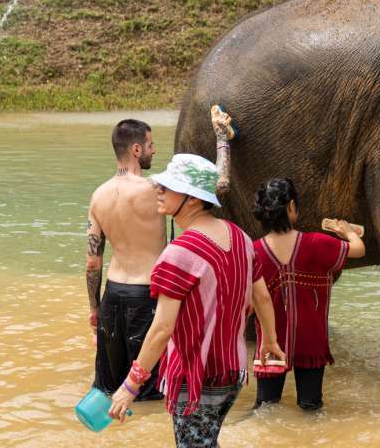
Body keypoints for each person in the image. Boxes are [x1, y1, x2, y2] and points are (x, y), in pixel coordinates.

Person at [107, 154, 285, 447]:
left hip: (196, 380)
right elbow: (262, 296)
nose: (159, 190)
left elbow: (163, 328)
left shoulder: (179, 254)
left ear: (192, 200)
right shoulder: (241, 238)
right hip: (233, 374)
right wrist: (269, 341)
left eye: (169, 186)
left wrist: (131, 385)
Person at [250, 178, 365, 411]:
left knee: (265, 407)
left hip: (271, 340)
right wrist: (347, 232)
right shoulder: (317, 243)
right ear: (292, 207)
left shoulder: (253, 251)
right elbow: (359, 250)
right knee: (311, 407)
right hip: (311, 340)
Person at [85, 119, 166, 400]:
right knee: (148, 391)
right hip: (147, 297)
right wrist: (222, 142)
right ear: (135, 149)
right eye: (150, 145)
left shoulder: (98, 196)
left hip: (113, 295)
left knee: (108, 387)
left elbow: (93, 262)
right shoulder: (156, 190)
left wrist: (94, 307)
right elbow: (213, 186)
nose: (153, 151)